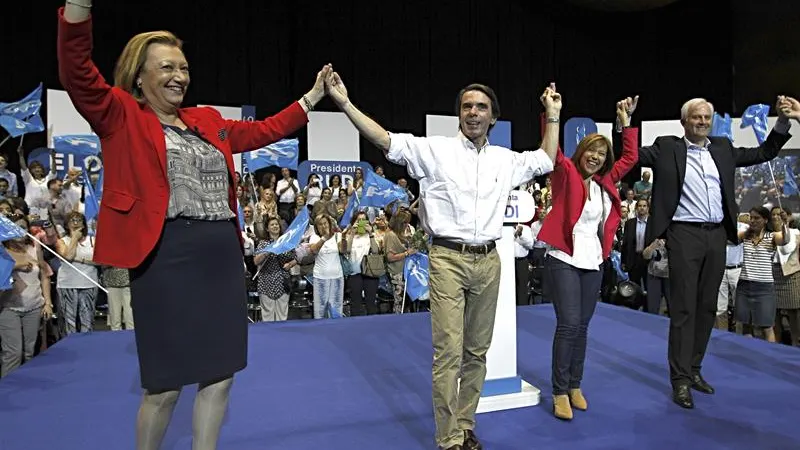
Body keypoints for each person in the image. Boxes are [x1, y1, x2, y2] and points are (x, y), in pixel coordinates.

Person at [57, 3, 329, 449]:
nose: (179, 75)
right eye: (166, 67)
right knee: (164, 385)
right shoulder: (119, 114)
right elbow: (77, 72)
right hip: (164, 254)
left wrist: (312, 98)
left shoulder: (207, 121)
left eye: (183, 67)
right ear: (139, 76)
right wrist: (79, 9)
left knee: (221, 374)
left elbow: (264, 130)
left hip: (219, 252)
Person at [324, 71, 560, 450]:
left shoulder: (505, 160)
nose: (473, 112)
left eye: (481, 107)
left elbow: (546, 159)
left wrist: (552, 113)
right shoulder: (434, 151)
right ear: (459, 115)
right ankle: (448, 438)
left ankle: (465, 426)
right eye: (467, 106)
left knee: (477, 352)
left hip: (489, 260)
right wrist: (345, 103)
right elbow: (384, 139)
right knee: (448, 351)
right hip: (447, 258)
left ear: (492, 117)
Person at [635, 95, 798, 409]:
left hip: (715, 237)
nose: (702, 122)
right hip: (683, 235)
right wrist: (625, 125)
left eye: (706, 118)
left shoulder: (722, 148)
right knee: (683, 310)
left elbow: (765, 151)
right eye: (696, 117)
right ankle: (680, 380)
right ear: (684, 121)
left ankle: (694, 370)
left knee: (708, 308)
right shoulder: (668, 147)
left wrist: (783, 121)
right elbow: (629, 157)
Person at [537, 97, 639, 420]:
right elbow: (551, 151)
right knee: (567, 324)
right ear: (581, 152)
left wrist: (625, 123)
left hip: (593, 261)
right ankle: (558, 390)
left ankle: (575, 385)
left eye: (601, 154)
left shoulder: (604, 183)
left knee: (582, 326)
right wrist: (552, 115)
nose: (595, 157)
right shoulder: (565, 172)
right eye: (591, 151)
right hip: (563, 257)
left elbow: (631, 157)